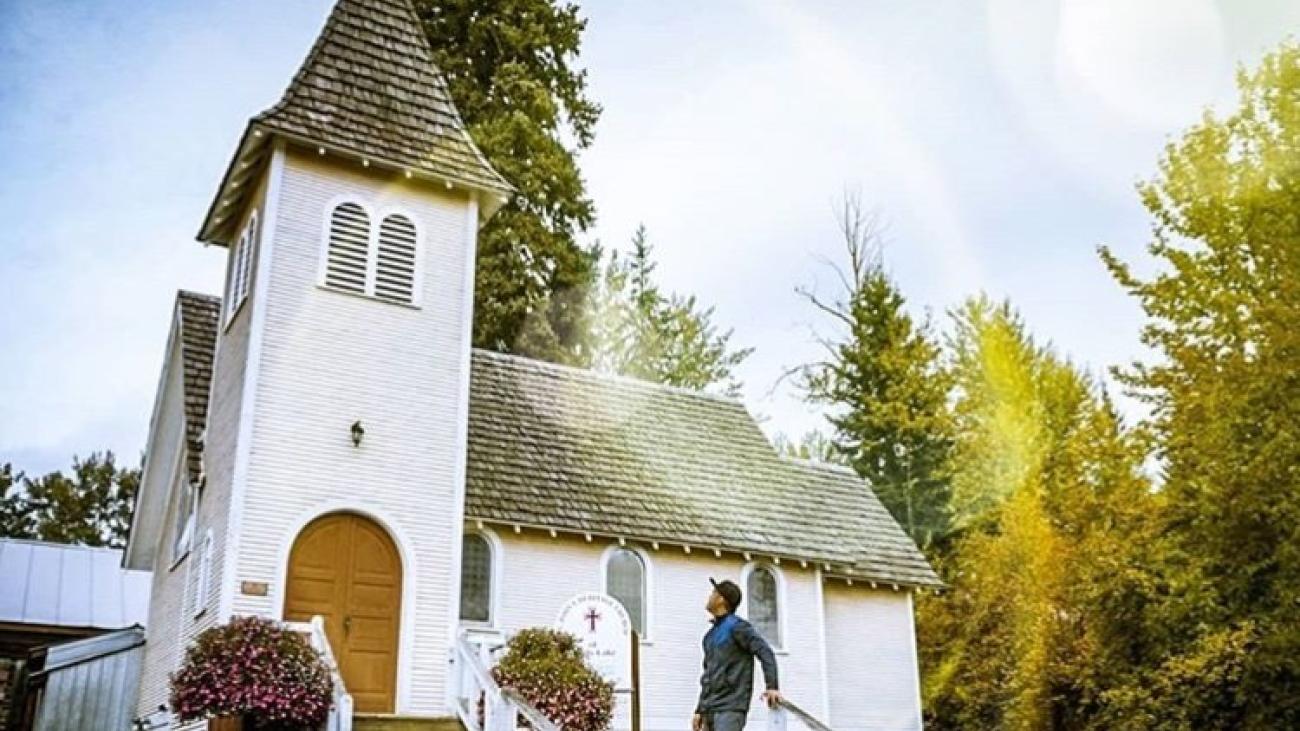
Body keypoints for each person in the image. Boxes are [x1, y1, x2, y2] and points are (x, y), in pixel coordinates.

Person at [692, 578, 782, 731]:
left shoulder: (738, 627)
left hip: (731, 707)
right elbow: (708, 677)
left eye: (713, 593)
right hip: (710, 709)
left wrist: (772, 686)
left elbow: (765, 651)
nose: (709, 596)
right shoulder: (709, 636)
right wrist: (699, 709)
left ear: (721, 599)